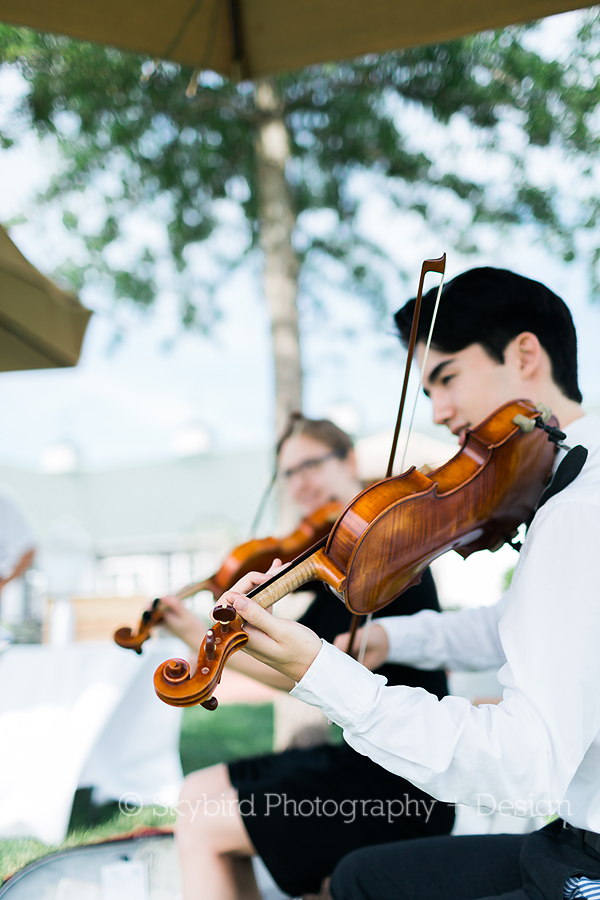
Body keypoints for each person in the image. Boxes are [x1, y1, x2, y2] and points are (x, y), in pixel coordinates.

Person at [219, 267, 600, 900]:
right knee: (362, 875)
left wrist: (327, 674)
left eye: (446, 377)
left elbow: (524, 767)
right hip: (572, 836)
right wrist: (387, 642)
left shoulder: (579, 509)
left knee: (365, 882)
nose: (439, 411)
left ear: (525, 354)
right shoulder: (566, 485)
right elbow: (516, 622)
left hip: (586, 857)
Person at [160, 415, 454, 900]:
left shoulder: (386, 555)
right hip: (361, 756)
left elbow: (292, 672)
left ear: (350, 461)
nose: (300, 484)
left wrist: (198, 633)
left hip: (402, 786)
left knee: (205, 824)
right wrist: (197, 633)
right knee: (196, 793)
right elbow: (289, 669)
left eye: (310, 465)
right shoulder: (339, 566)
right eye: (288, 474)